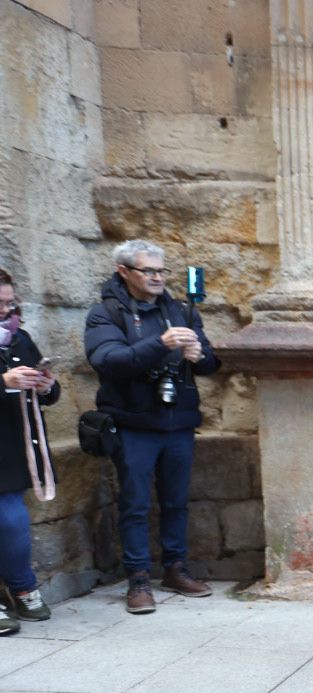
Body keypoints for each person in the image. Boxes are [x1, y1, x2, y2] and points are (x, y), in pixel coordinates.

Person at [84, 240, 220, 613]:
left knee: (176, 502)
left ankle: (175, 568)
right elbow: (108, 360)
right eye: (149, 271)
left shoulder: (179, 310)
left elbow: (210, 363)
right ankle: (138, 579)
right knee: (135, 504)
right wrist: (160, 345)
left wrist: (200, 356)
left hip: (177, 423)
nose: (158, 277)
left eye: (162, 271)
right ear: (124, 272)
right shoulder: (105, 314)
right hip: (134, 425)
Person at [0, 268, 60, 632]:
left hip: (10, 448)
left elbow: (49, 395)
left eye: (9, 302)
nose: (6, 310)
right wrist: (3, 382)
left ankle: (20, 588)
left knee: (12, 522)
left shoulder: (19, 338)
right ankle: (22, 586)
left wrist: (45, 386)